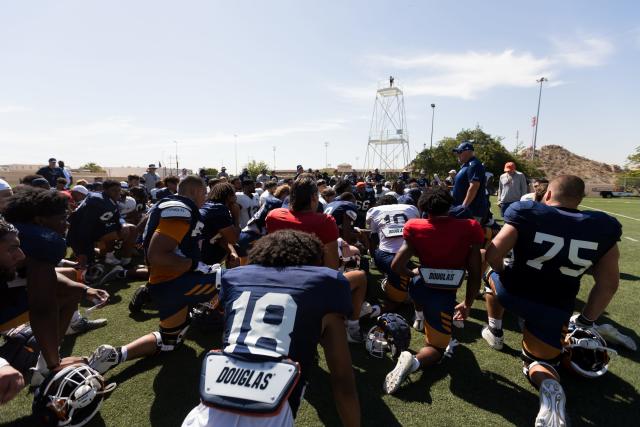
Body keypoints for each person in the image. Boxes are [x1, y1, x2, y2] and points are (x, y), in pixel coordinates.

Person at [181, 230, 360, 427]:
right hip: (270, 416)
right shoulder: (326, 282)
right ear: (315, 260)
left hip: (206, 413)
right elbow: (343, 380)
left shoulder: (234, 277)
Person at [481, 175, 621, 426]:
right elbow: (608, 284)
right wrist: (587, 320)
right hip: (556, 306)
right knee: (538, 362)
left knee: (489, 275)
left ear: (547, 195)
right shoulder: (603, 226)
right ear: (581, 199)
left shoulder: (527, 212)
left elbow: (493, 253)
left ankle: (495, 329)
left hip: (514, 293)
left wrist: (502, 273)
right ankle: (549, 388)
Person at [87, 177, 219, 374]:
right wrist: (192, 264)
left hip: (162, 284)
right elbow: (158, 254)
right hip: (177, 281)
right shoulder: (181, 208)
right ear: (196, 191)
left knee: (169, 342)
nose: (206, 197)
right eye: (205, 193)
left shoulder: (166, 203)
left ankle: (117, 354)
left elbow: (142, 230)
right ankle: (226, 331)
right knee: (230, 281)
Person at [1, 190, 109, 385]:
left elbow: (45, 275)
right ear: (40, 221)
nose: (66, 224)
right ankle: (48, 363)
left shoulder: (21, 233)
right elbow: (42, 308)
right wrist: (55, 365)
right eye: (62, 218)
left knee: (69, 281)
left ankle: (43, 362)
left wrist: (84, 290)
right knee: (54, 296)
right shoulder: (41, 242)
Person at [383, 188, 483, 394]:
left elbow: (396, 266)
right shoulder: (469, 227)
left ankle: (419, 316)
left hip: (421, 285)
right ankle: (414, 362)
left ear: (423, 208)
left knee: (420, 296)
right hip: (443, 294)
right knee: (437, 348)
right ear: (450, 206)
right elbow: (474, 272)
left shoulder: (414, 226)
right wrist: (468, 303)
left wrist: (416, 273)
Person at [266, 174, 370, 342]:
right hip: (309, 286)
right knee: (360, 277)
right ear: (314, 197)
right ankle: (352, 328)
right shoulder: (324, 221)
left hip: (280, 281)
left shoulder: (274, 216)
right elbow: (331, 269)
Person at [366, 195, 420, 312]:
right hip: (406, 254)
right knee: (415, 275)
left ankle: (395, 287)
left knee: (397, 300)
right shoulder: (410, 208)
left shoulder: (375, 211)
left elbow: (373, 239)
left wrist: (374, 257)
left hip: (385, 256)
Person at [67, 180, 137, 268]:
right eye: (114, 190)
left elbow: (117, 216)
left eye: (119, 190)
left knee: (131, 228)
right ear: (105, 190)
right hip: (80, 235)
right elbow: (83, 226)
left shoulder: (109, 199)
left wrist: (123, 224)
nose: (117, 193)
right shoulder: (97, 200)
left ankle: (125, 261)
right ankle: (104, 254)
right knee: (86, 266)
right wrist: (85, 249)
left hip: (94, 231)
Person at [451, 142, 488, 223]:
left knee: (467, 235)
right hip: (464, 211)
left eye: (459, 152)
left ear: (468, 152)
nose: (457, 154)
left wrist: (463, 207)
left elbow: (474, 186)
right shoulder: (466, 165)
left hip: (471, 211)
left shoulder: (474, 164)